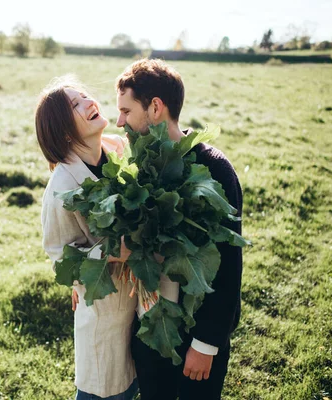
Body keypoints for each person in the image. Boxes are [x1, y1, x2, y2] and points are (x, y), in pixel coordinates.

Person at [114, 58, 244, 400]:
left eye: (126, 112)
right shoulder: (135, 164)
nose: (119, 122)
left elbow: (229, 264)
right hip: (149, 332)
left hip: (196, 338)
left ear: (155, 108)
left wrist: (206, 343)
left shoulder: (214, 169)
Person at [36, 75, 139, 400]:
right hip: (103, 315)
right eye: (75, 104)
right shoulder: (62, 189)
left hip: (136, 306)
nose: (89, 102)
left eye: (84, 95)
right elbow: (61, 259)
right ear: (64, 131)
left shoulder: (117, 148)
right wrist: (112, 252)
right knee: (105, 390)